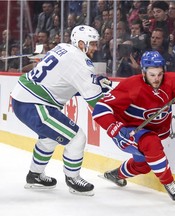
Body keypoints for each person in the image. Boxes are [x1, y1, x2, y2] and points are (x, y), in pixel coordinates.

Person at [10, 25, 111, 196]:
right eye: (92, 44)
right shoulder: (82, 64)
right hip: (35, 104)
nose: (95, 47)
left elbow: (65, 81)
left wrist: (94, 82)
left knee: (49, 137)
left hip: (24, 99)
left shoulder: (63, 47)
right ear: (81, 44)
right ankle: (73, 179)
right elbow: (95, 101)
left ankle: (35, 175)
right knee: (77, 138)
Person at [92, 51, 175, 201]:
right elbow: (100, 110)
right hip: (128, 132)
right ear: (143, 72)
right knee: (151, 143)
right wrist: (116, 130)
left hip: (150, 131)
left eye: (159, 74)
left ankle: (115, 175)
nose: (156, 79)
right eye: (152, 75)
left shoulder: (172, 81)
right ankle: (170, 184)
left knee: (143, 165)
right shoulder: (131, 85)